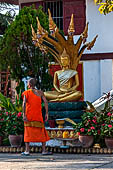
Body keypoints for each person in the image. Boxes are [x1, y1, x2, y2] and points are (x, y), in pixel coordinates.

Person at [21, 78, 52, 156]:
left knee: (28, 131)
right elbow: (45, 102)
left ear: (29, 85)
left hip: (29, 115)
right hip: (38, 115)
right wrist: (47, 113)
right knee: (41, 131)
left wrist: (24, 114)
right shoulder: (40, 92)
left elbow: (24, 103)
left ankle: (27, 151)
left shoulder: (26, 93)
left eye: (27, 83)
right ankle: (44, 150)